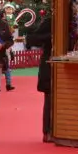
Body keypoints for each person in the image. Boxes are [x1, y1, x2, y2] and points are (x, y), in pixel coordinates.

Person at [26, 11, 53, 141]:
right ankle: (47, 131)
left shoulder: (72, 23)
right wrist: (52, 37)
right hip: (48, 66)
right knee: (49, 98)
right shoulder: (50, 22)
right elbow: (32, 39)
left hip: (52, 66)